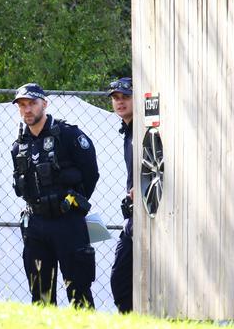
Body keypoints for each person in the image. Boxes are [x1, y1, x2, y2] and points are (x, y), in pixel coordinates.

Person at [11, 83, 100, 309]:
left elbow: (91, 173)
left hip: (67, 222)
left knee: (78, 290)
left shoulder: (68, 134)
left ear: (44, 104)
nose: (27, 109)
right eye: (22, 105)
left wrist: (72, 203)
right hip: (36, 224)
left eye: (32, 103)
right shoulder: (19, 145)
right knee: (40, 294)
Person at [107, 77, 134, 313]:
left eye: (125, 97)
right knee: (120, 280)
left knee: (123, 279)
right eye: (116, 98)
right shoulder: (128, 131)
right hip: (134, 216)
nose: (120, 102)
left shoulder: (146, 130)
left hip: (152, 210)